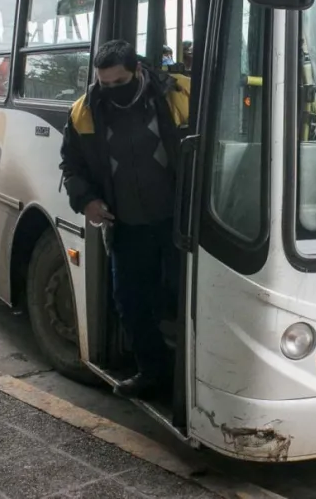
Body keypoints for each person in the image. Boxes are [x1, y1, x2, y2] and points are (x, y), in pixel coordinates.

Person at [59, 39, 190, 399]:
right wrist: (86, 200)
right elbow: (72, 166)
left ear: (136, 71)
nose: (113, 91)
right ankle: (153, 373)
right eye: (105, 85)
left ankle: (195, 376)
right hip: (127, 226)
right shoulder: (84, 112)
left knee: (183, 296)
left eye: (120, 82)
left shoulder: (177, 95)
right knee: (130, 302)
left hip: (178, 224)